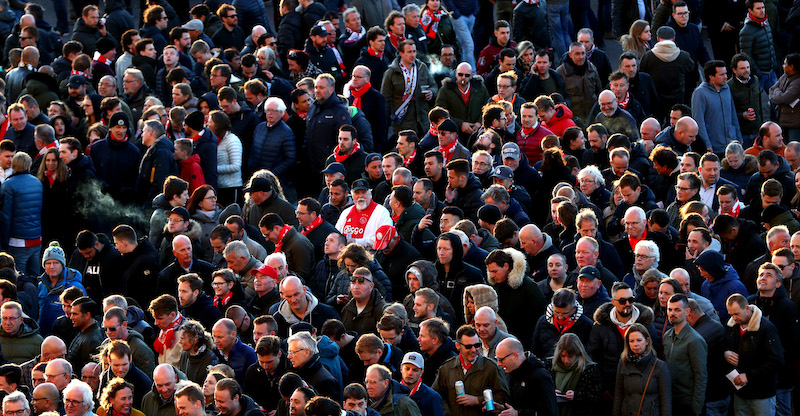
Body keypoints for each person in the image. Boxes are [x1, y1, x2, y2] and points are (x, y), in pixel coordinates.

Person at [724, 294, 783, 414]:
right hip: (740, 392)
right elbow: (723, 346)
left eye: (737, 314)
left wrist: (749, 376)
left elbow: (777, 361)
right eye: (731, 314)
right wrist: (726, 353)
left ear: (747, 309)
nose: (734, 318)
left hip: (762, 394)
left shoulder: (766, 328)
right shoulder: (732, 327)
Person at [432, 325, 508, 416]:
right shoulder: (447, 368)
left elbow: (503, 397)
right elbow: (436, 396)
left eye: (476, 345)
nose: (473, 350)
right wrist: (447, 412)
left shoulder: (491, 368)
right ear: (458, 346)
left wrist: (478, 400)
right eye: (468, 347)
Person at [484, 248, 545, 345]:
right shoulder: (495, 286)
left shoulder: (528, 287)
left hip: (525, 342)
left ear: (506, 266)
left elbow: (540, 317)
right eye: (490, 271)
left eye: (495, 271)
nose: (492, 275)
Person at [612, 323, 671, 415]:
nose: (635, 344)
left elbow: (665, 401)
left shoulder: (660, 366)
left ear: (647, 341)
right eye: (631, 341)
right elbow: (618, 395)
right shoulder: (623, 363)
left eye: (639, 340)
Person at [639, 26, 696, 121]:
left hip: (656, 101)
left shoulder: (648, 57)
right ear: (674, 38)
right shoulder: (684, 56)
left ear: (657, 39)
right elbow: (692, 71)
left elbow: (642, 77)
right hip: (677, 100)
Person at [382, 40, 436, 135]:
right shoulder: (391, 72)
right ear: (401, 54)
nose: (413, 55)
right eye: (409, 52)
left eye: (414, 51)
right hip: (402, 121)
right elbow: (385, 98)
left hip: (422, 119)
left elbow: (434, 86)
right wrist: (386, 121)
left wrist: (431, 93)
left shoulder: (421, 68)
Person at [493, 337, 558, 416]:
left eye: (501, 359)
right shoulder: (509, 373)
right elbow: (515, 405)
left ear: (515, 356)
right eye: (497, 359)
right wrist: (503, 408)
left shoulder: (539, 376)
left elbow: (549, 412)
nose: (498, 364)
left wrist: (518, 413)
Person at [691, 61, 742, 154]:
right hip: (714, 148)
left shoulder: (726, 88)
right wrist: (707, 144)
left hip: (732, 145)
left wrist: (738, 137)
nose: (726, 77)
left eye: (726, 73)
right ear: (711, 77)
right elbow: (699, 122)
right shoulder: (700, 93)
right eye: (722, 74)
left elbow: (733, 115)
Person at [532, 288, 593, 360]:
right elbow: (535, 349)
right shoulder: (542, 321)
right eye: (557, 312)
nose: (560, 317)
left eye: (565, 313)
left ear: (574, 309)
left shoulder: (586, 325)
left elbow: (589, 353)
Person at [286, 331, 341, 401]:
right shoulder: (296, 372)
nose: (289, 356)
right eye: (288, 352)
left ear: (306, 352)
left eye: (292, 352)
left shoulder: (326, 382)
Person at [556, 42, 602, 121]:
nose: (581, 57)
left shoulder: (592, 68)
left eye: (583, 53)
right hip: (573, 119)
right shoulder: (561, 72)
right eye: (577, 54)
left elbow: (599, 91)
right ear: (570, 55)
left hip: (592, 116)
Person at [769, 54, 800, 141]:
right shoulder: (784, 77)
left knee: (794, 150)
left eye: (785, 64)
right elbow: (771, 89)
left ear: (791, 67)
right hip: (782, 122)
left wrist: (777, 91)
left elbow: (785, 98)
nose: (783, 66)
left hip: (794, 125)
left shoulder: (798, 82)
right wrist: (779, 92)